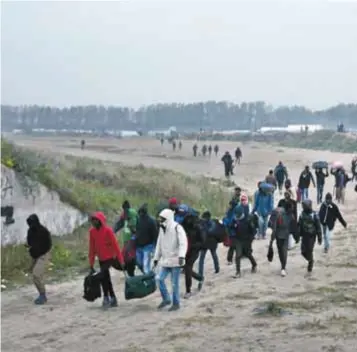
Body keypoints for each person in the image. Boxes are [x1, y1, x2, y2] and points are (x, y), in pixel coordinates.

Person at [153, 209, 188, 311]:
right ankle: (166, 298)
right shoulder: (161, 229)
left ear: (168, 218)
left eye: (162, 219)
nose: (160, 221)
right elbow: (159, 244)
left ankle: (176, 303)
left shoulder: (177, 227)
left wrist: (182, 256)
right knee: (159, 279)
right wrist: (156, 258)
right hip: (165, 261)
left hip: (175, 260)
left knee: (174, 283)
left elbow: (183, 243)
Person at [89, 212, 124, 308]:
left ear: (100, 221)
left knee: (103, 276)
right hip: (101, 258)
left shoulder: (108, 231)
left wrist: (121, 260)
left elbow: (116, 246)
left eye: (95, 220)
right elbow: (92, 248)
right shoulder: (92, 232)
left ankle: (106, 297)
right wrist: (91, 263)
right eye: (92, 221)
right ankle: (113, 298)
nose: (93, 222)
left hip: (110, 258)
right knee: (106, 278)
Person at [26, 214, 52, 305]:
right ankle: (42, 293)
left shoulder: (43, 231)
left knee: (36, 274)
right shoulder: (30, 231)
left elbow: (48, 245)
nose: (30, 225)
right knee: (35, 275)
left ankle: (42, 295)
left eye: (32, 223)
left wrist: (39, 252)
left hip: (44, 254)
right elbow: (30, 243)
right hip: (35, 255)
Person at [233, 194, 257, 278]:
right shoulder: (236, 219)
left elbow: (253, 231)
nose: (237, 217)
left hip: (247, 239)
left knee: (248, 254)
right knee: (238, 255)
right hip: (238, 239)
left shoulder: (248, 219)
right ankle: (238, 272)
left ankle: (254, 264)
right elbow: (232, 228)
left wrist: (250, 240)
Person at [295, 200, 322, 277]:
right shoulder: (302, 214)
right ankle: (310, 260)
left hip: (311, 236)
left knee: (309, 250)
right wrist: (297, 234)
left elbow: (318, 227)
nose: (303, 207)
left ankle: (310, 264)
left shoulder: (314, 214)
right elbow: (299, 224)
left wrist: (319, 237)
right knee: (303, 252)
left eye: (304, 206)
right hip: (304, 236)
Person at [181, 213, 205, 298]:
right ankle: (200, 278)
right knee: (185, 269)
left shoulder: (198, 228)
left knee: (187, 269)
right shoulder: (182, 227)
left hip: (194, 252)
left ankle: (188, 291)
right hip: (185, 252)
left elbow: (202, 242)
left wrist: (193, 245)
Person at [269, 204, 295, 277]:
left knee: (284, 251)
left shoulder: (291, 215)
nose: (292, 210)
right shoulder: (280, 216)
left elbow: (293, 226)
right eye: (291, 209)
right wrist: (272, 239)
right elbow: (275, 228)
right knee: (281, 252)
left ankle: (283, 267)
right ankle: (282, 266)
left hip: (285, 236)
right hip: (279, 236)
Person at [135, 204, 158, 274]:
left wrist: (155, 246)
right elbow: (136, 231)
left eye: (142, 212)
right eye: (140, 212)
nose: (140, 214)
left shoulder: (151, 221)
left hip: (148, 246)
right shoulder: (138, 220)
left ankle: (148, 279)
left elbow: (155, 234)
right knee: (139, 263)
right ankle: (147, 275)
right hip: (139, 246)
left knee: (145, 265)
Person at [198, 211, 220, 284]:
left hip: (209, 243)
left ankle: (216, 269)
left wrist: (204, 228)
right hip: (209, 243)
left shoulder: (210, 223)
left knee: (209, 256)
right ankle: (201, 273)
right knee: (207, 257)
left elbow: (210, 231)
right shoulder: (211, 223)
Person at [223, 200, 239, 264]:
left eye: (230, 205)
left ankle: (230, 260)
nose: (229, 206)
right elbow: (226, 220)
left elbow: (232, 221)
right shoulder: (230, 212)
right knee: (233, 246)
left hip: (233, 232)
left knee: (232, 246)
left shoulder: (234, 212)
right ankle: (231, 259)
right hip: (231, 232)